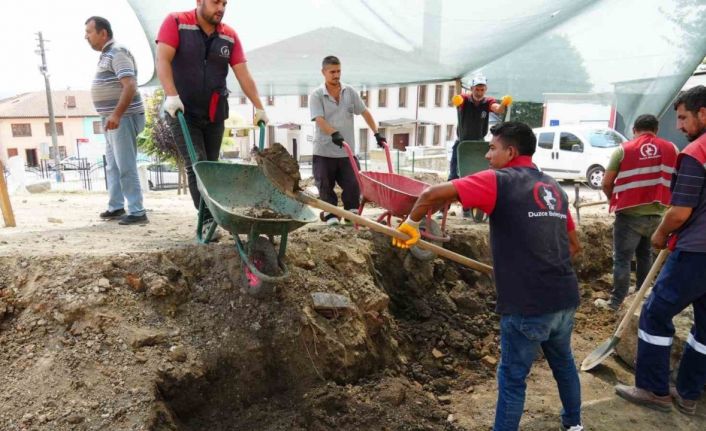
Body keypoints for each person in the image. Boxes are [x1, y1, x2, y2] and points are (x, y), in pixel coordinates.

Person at [394, 122, 583, 431]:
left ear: (511, 152)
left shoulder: (501, 180)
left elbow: (432, 193)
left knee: (512, 379)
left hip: (527, 305)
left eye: (492, 148)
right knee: (564, 364)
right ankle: (574, 425)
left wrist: (411, 224)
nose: (486, 155)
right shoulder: (555, 188)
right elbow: (573, 246)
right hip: (564, 298)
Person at [615, 85, 706, 416]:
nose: (679, 126)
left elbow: (680, 212)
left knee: (655, 313)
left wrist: (660, 234)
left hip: (696, 252)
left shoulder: (697, 152)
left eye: (683, 118)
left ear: (703, 113)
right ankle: (689, 393)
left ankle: (654, 389)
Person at [155, 0, 268, 230]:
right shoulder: (176, 22)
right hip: (181, 111)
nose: (221, 8)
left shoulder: (229, 36)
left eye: (225, 3)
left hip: (214, 111)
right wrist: (171, 95)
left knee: (211, 165)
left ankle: (213, 215)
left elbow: (243, 74)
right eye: (216, 2)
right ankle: (207, 220)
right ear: (199, 1)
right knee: (197, 164)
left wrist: (260, 107)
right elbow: (162, 60)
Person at [594, 114, 679, 311]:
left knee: (622, 259)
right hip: (658, 215)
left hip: (629, 215)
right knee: (645, 254)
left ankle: (616, 302)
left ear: (634, 130)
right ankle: (642, 294)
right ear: (656, 130)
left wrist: (612, 198)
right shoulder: (672, 149)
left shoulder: (624, 150)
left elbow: (607, 182)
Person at [309, 55, 386, 225]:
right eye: (332, 72)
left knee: (354, 183)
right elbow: (319, 119)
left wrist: (376, 133)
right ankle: (330, 215)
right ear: (324, 72)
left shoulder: (349, 92)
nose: (336, 75)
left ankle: (351, 213)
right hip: (324, 151)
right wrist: (333, 133)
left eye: (339, 71)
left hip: (347, 151)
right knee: (325, 185)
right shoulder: (317, 95)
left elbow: (365, 112)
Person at [85, 16, 147, 225]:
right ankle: (117, 206)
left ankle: (138, 211)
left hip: (124, 118)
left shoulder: (118, 52)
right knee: (113, 166)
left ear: (103, 33)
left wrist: (117, 114)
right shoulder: (106, 54)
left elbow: (130, 85)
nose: (86, 36)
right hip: (112, 119)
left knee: (126, 165)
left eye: (89, 32)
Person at [447, 75, 511, 218]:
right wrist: (456, 100)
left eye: (482, 89)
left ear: (485, 90)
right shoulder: (465, 99)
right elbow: (458, 102)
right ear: (472, 89)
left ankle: (468, 208)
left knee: (476, 177)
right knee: (454, 176)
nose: (479, 92)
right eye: (477, 89)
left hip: (478, 144)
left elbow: (498, 109)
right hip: (462, 143)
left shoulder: (487, 102)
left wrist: (503, 105)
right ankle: (444, 208)